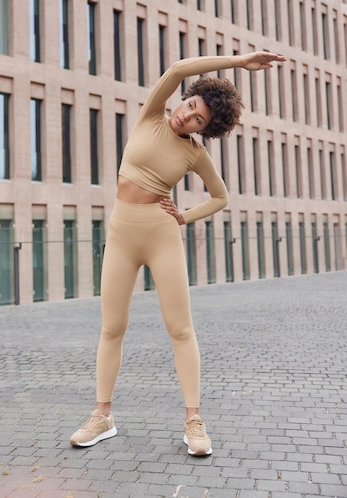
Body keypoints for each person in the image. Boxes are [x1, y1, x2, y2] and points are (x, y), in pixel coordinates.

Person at [70, 51, 287, 456]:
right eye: (190, 106)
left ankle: (193, 421)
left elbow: (221, 197)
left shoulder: (194, 154)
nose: (187, 116)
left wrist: (183, 217)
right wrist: (240, 61)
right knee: (111, 327)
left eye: (199, 119)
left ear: (206, 129)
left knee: (180, 329)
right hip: (120, 232)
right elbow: (176, 69)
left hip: (161, 235)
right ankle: (102, 416)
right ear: (183, 100)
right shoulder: (151, 116)